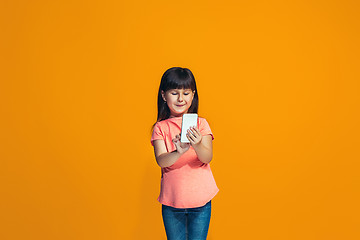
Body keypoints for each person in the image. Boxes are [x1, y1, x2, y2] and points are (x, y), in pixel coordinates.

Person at [150, 67, 219, 240]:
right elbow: (161, 160)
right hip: (172, 202)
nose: (181, 98)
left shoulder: (201, 124)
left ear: (193, 95)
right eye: (174, 93)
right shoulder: (160, 127)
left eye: (186, 93)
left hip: (201, 201)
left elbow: (207, 157)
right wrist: (177, 151)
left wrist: (196, 145)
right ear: (164, 96)